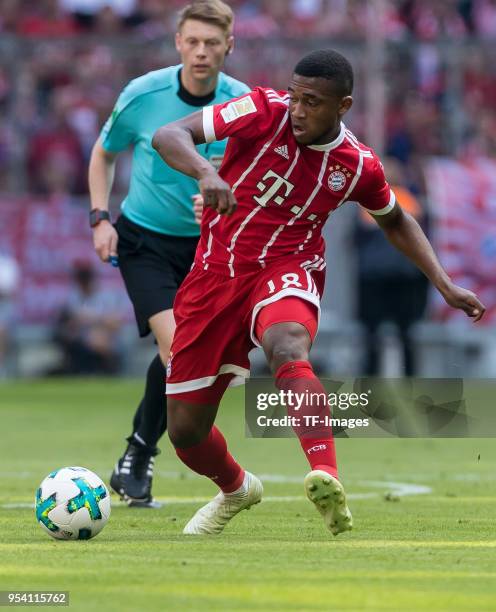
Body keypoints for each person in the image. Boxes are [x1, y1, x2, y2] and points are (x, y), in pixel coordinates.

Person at [152, 48, 485, 536]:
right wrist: (206, 171)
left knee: (287, 342)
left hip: (287, 269)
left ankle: (325, 474)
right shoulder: (261, 110)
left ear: (342, 106)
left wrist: (444, 282)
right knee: (184, 433)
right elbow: (168, 134)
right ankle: (237, 487)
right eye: (295, 96)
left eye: (312, 101)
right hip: (214, 277)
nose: (298, 110)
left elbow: (395, 220)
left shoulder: (356, 164)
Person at [88, 0, 249, 507]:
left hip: (211, 251)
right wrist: (99, 218)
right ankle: (142, 454)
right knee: (178, 350)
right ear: (178, 43)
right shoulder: (143, 94)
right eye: (193, 42)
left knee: (187, 358)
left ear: (229, 46)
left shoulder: (242, 103)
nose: (202, 52)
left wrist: (226, 196)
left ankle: (137, 449)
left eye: (212, 43)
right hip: (146, 242)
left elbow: (257, 175)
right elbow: (103, 153)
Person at [355, 157, 429, 375]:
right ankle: (409, 377)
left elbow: (357, 240)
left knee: (372, 335)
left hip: (376, 278)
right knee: (405, 334)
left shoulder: (367, 203)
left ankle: (370, 377)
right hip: (403, 277)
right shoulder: (410, 200)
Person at [53, 261, 125, 375]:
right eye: (82, 281)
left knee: (100, 338)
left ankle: (104, 372)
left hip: (104, 338)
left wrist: (93, 319)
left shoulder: (106, 297)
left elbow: (115, 322)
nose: (84, 284)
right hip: (80, 340)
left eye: (86, 281)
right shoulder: (73, 298)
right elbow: (70, 322)